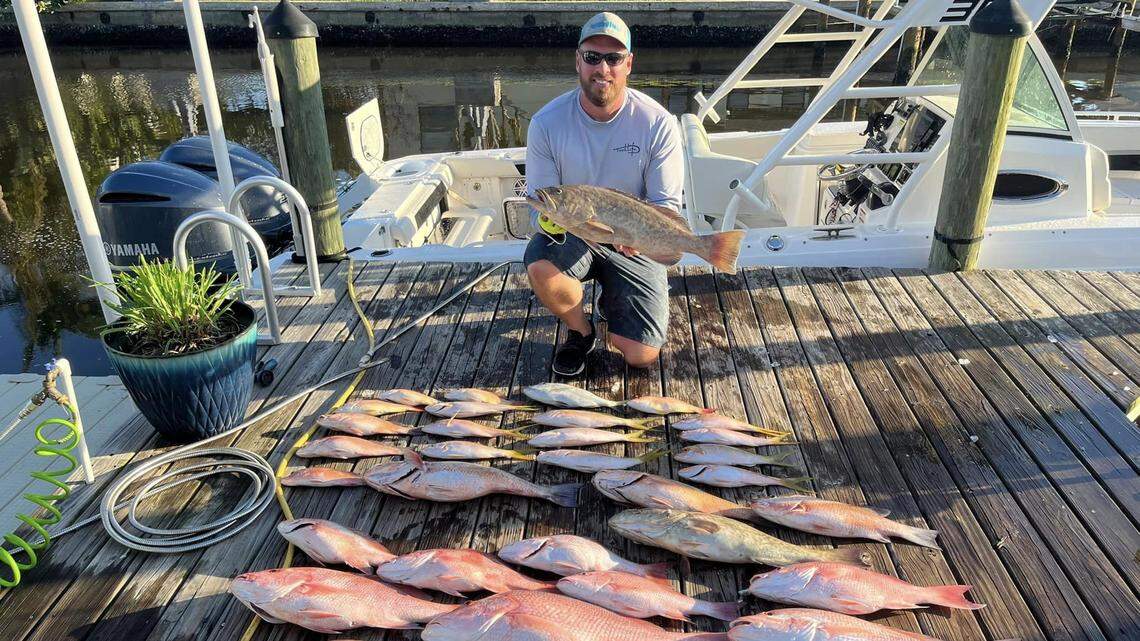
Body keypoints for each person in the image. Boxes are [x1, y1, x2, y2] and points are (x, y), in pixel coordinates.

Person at [523, 12, 684, 377]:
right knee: (540, 266)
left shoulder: (657, 123)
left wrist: (639, 239)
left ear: (628, 64)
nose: (603, 68)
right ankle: (581, 330)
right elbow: (539, 205)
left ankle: (616, 304)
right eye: (593, 57)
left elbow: (666, 205)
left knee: (641, 356)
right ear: (578, 60)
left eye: (613, 59)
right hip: (575, 234)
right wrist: (554, 216)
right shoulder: (547, 123)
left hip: (633, 241)